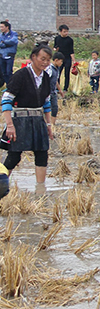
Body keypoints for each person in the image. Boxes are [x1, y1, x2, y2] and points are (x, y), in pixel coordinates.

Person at [2, 44, 53, 195]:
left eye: (48, 60)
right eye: (42, 59)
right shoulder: (20, 75)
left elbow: (47, 102)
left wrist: (49, 124)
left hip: (38, 120)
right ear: (33, 57)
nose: (45, 62)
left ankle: (40, 190)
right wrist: (9, 125)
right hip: (20, 120)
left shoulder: (46, 77)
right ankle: (2, 186)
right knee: (14, 155)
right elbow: (6, 100)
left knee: (42, 152)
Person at [53, 25, 75, 92]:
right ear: (60, 32)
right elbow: (55, 47)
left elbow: (71, 51)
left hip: (67, 58)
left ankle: (65, 88)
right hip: (59, 59)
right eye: (64, 31)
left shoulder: (70, 40)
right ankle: (57, 88)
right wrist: (55, 49)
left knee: (67, 74)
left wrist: (74, 60)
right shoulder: (57, 38)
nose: (66, 33)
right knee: (58, 74)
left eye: (67, 31)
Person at [0, 20, 19, 89]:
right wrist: (7, 44)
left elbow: (13, 41)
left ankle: (11, 86)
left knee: (9, 72)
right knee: (3, 72)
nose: (1, 28)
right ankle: (8, 86)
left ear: (7, 27)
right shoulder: (1, 35)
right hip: (1, 56)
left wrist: (4, 42)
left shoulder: (13, 34)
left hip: (9, 55)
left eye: (2, 27)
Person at [48, 53, 63, 126]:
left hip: (53, 92)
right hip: (48, 92)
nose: (61, 63)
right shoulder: (50, 69)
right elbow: (45, 80)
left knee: (55, 108)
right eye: (61, 61)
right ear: (56, 60)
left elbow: (55, 80)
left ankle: (52, 124)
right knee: (47, 108)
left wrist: (60, 90)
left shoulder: (56, 69)